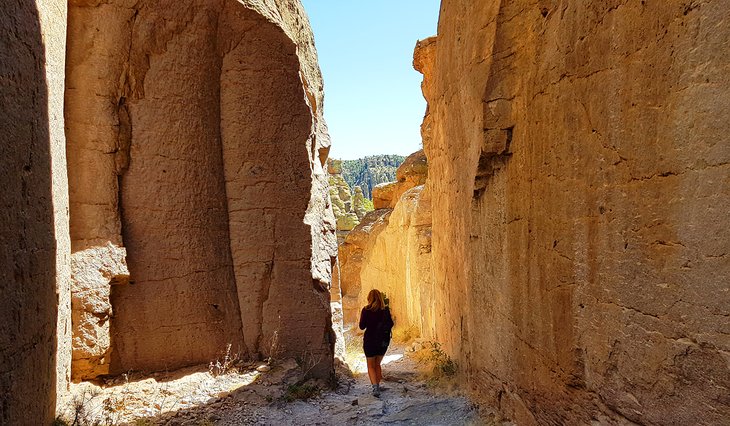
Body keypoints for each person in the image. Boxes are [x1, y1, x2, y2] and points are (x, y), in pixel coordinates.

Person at [359, 289, 394, 397]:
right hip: (382, 341)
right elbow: (391, 324)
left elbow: (362, 326)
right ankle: (377, 385)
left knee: (370, 365)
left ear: (369, 298)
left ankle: (375, 388)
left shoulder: (366, 310)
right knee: (377, 364)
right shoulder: (385, 310)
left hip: (370, 340)